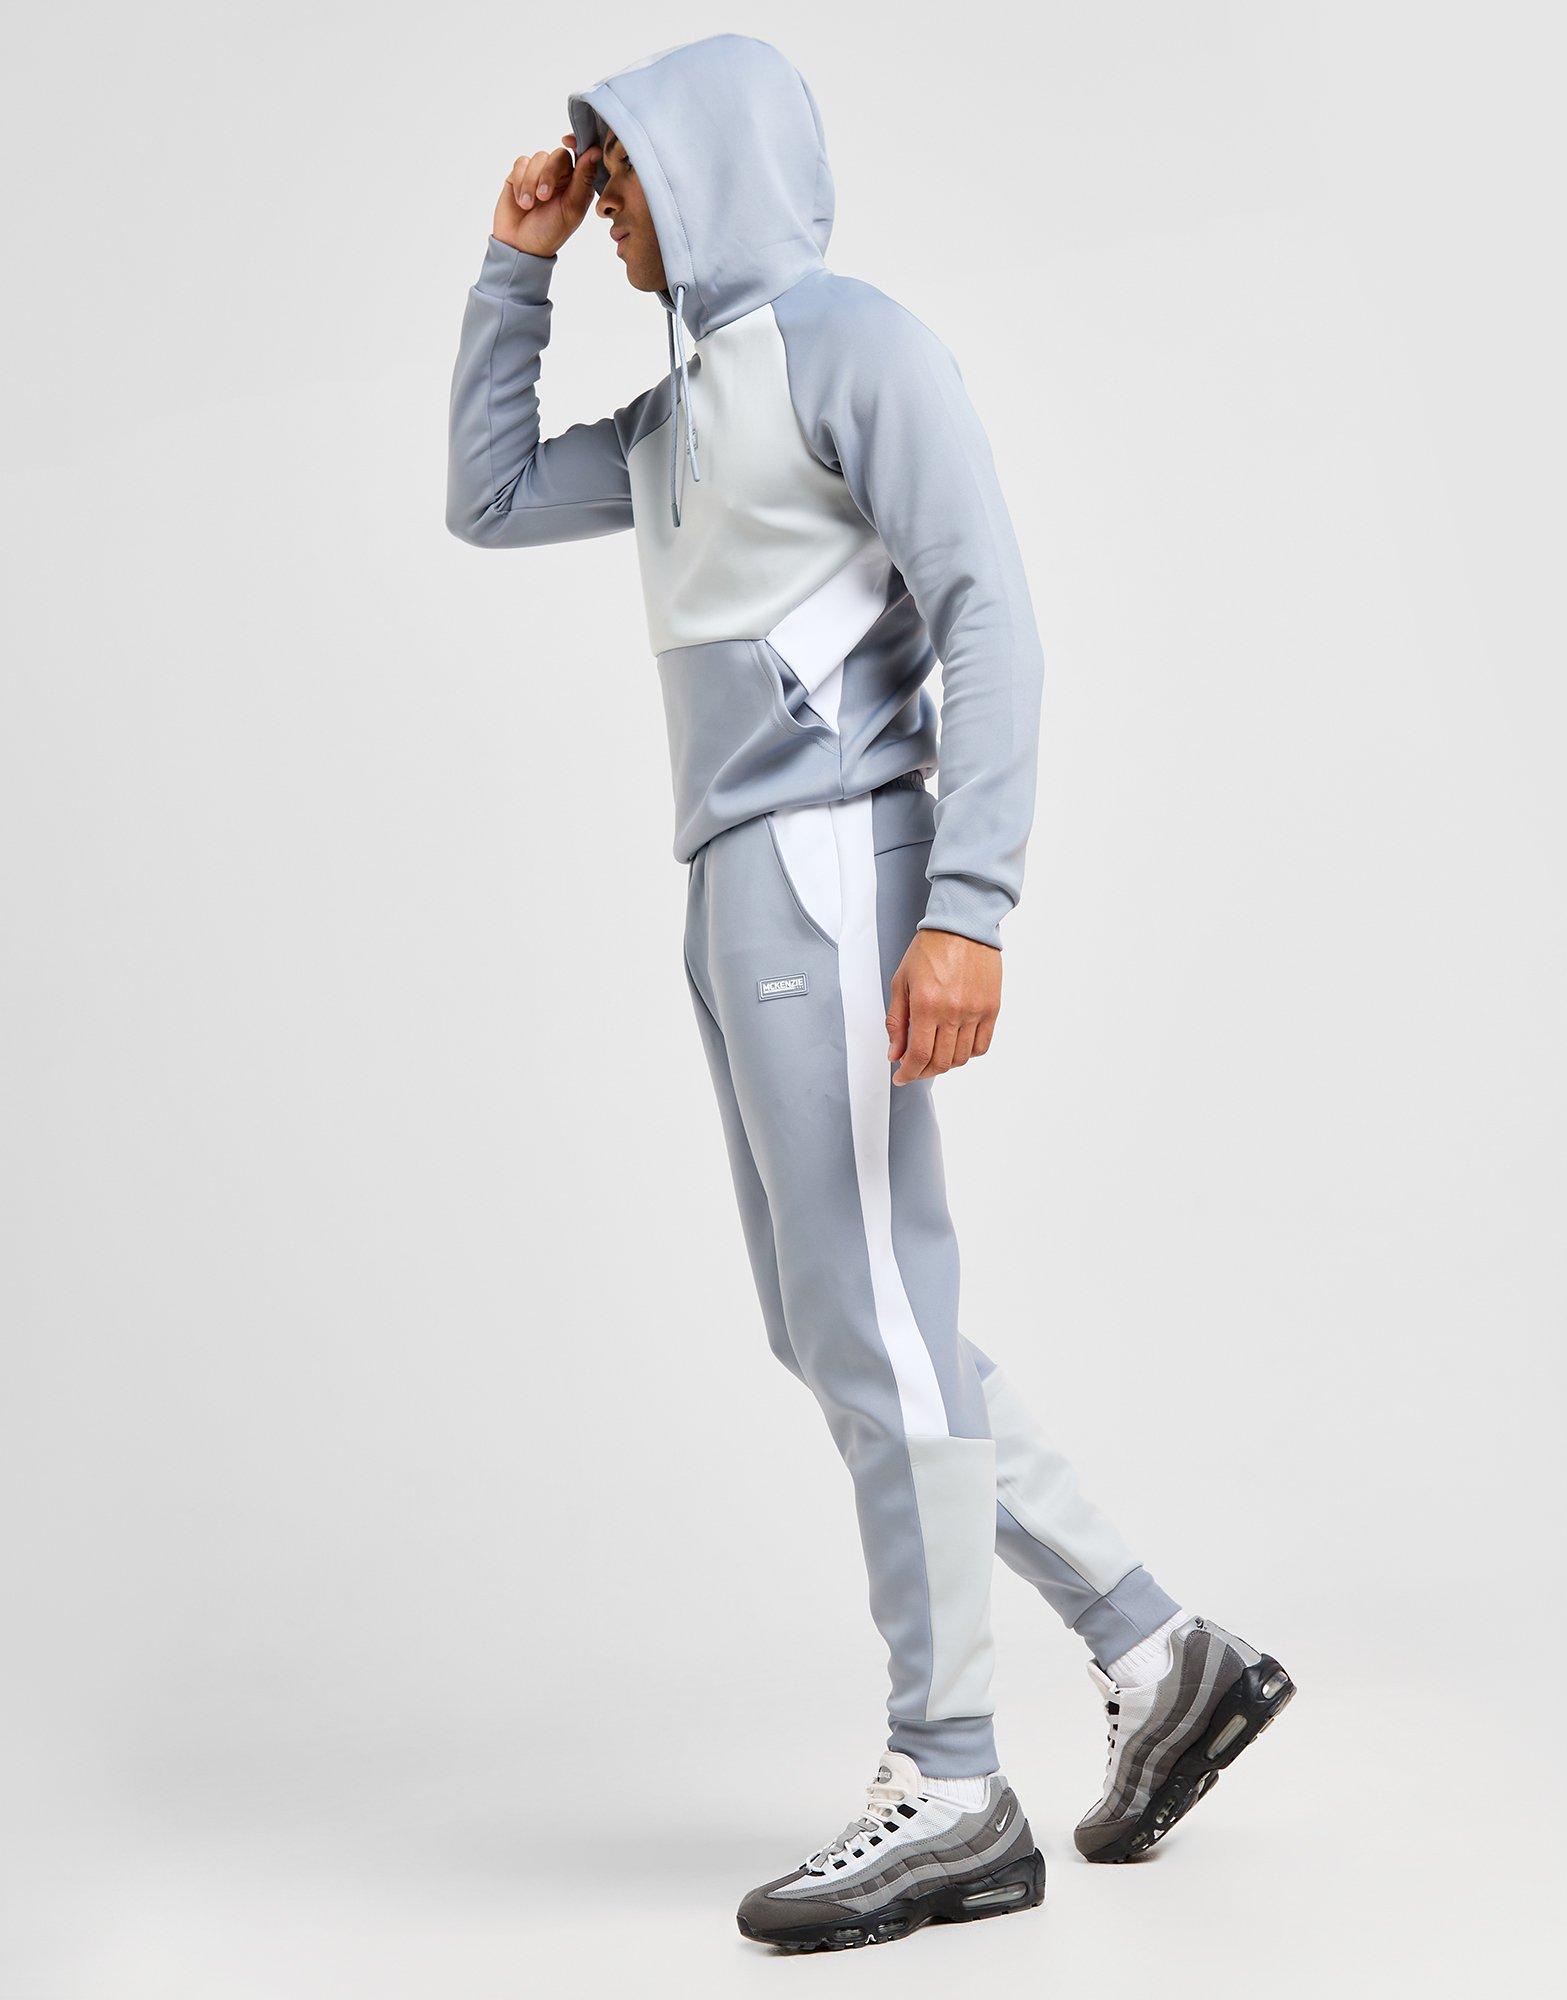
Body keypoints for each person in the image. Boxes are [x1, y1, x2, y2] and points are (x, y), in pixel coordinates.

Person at [447, 34, 1293, 1954]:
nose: (608, 204)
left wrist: (968, 904)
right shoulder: (677, 413)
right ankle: (1160, 1649)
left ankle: (953, 1777)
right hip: (736, 887)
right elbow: (487, 496)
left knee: (878, 1326)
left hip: (839, 867)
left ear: (703, 165)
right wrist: (515, 264)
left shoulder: (858, 347)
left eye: (620, 170)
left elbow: (991, 610)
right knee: (844, 1324)